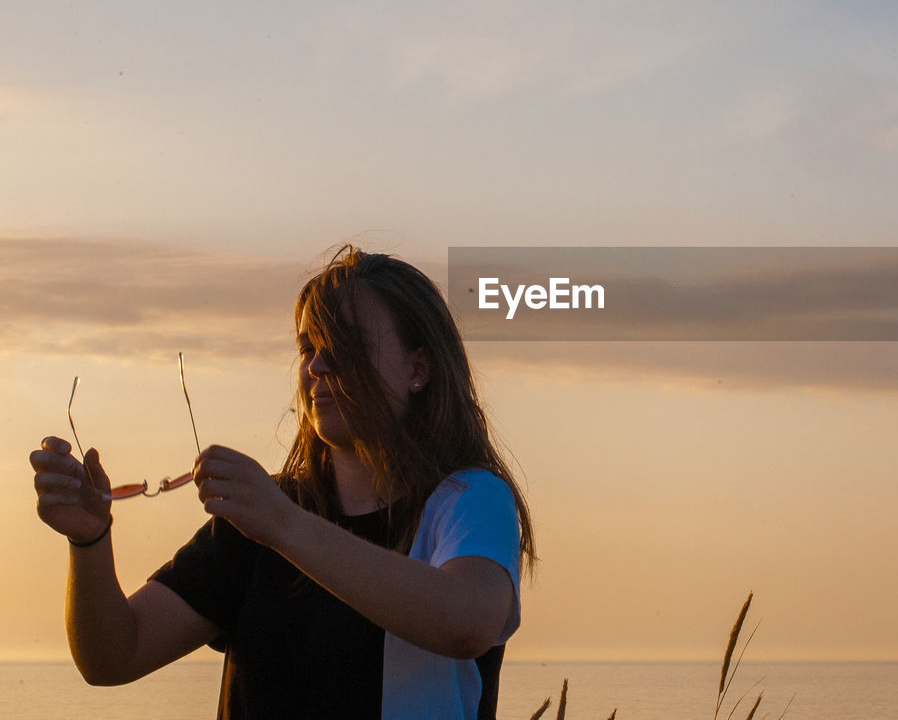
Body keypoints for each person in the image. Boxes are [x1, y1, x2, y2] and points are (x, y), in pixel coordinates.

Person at [30, 246, 535, 720]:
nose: (316, 366)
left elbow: (467, 621)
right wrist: (89, 539)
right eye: (307, 347)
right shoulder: (260, 521)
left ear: (418, 369)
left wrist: (283, 525)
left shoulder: (469, 499)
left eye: (346, 347)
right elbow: (114, 657)